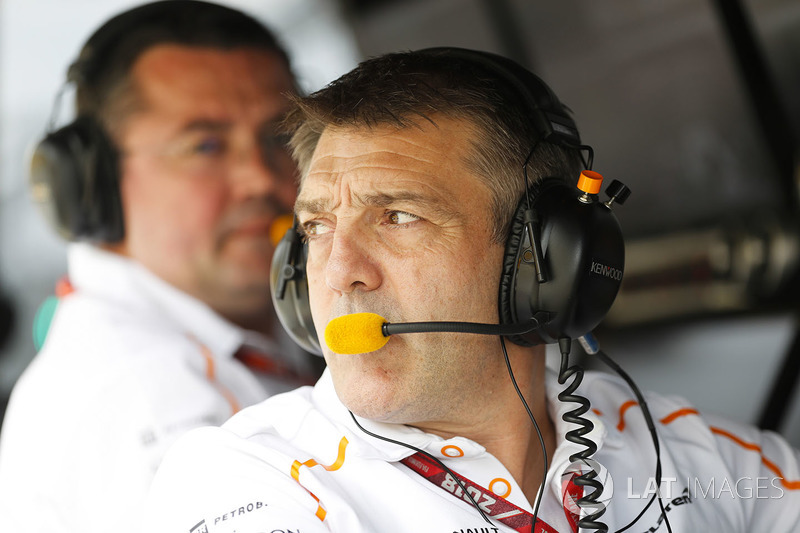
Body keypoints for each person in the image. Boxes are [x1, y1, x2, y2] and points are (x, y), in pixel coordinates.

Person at [141, 48, 800, 532]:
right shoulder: (244, 482)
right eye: (316, 226)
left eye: (398, 215)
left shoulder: (690, 453)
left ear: (541, 259)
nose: (340, 271)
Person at [0, 2, 324, 532]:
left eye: (277, 136)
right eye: (206, 145)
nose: (261, 180)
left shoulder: (259, 328)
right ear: (92, 187)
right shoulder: (147, 395)